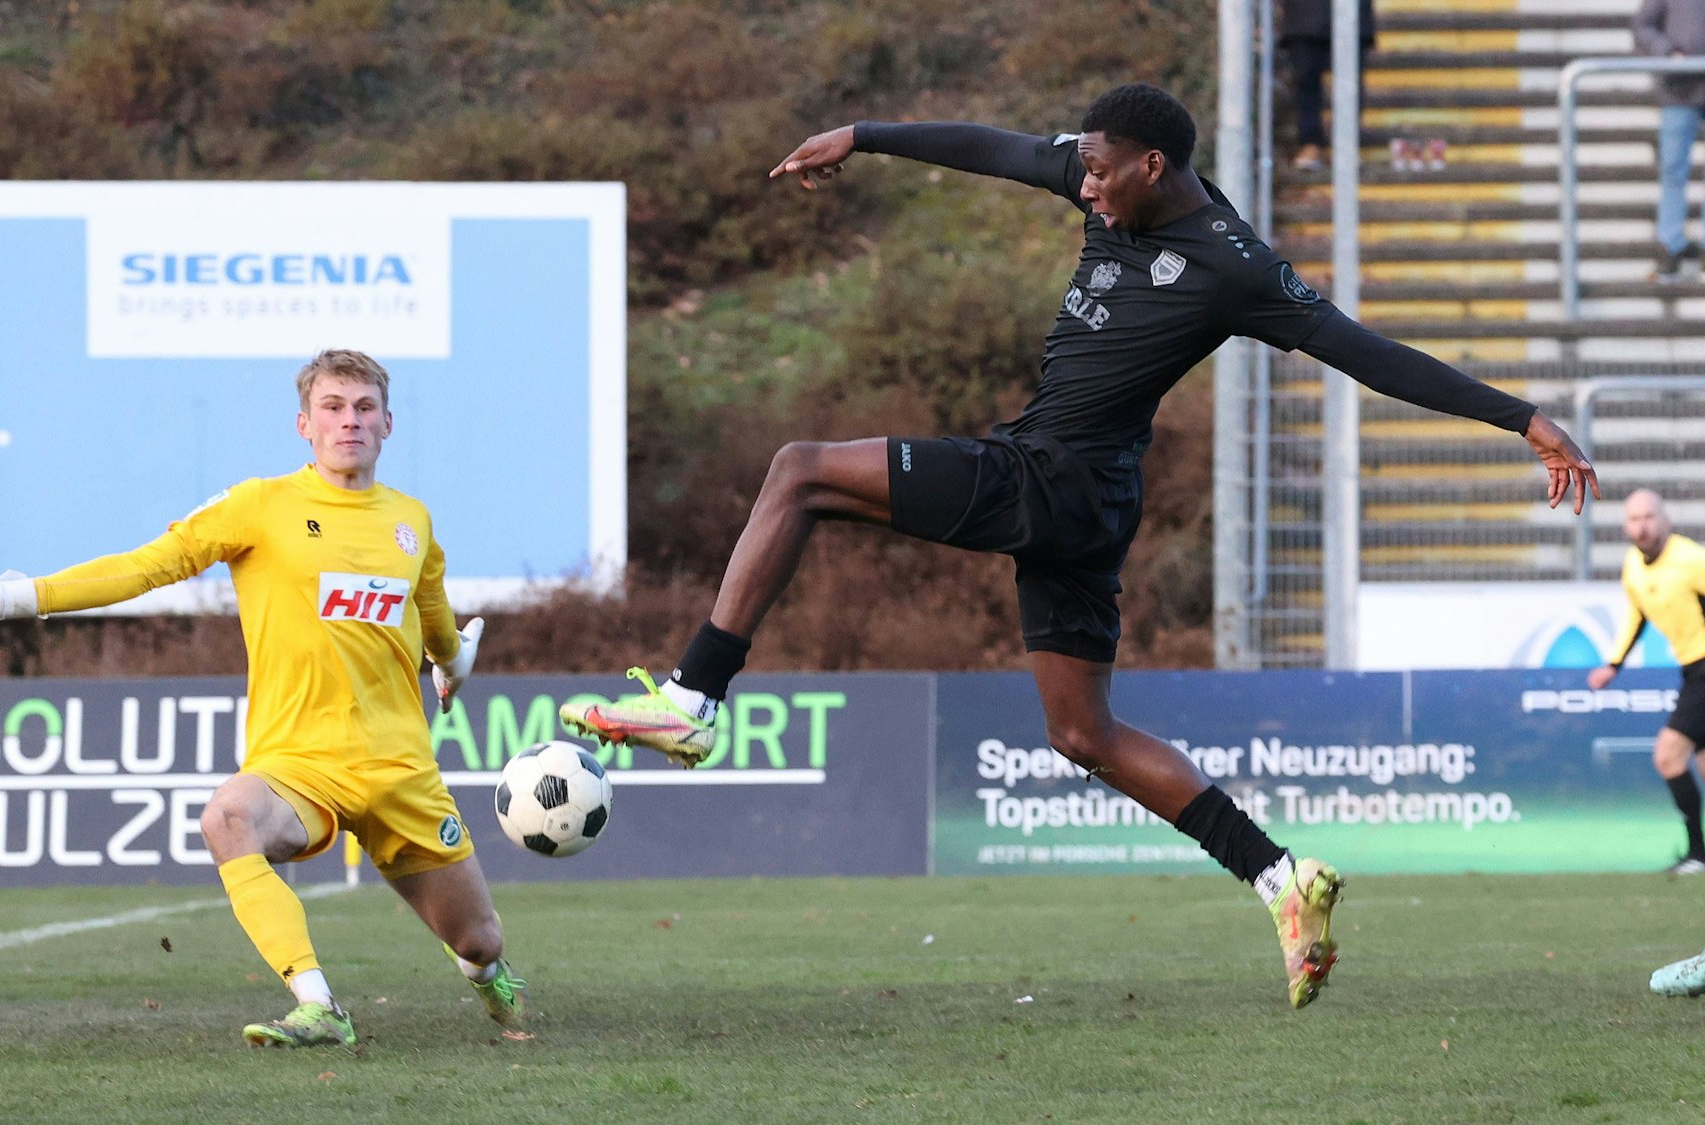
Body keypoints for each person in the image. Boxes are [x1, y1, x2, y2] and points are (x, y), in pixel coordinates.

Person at [561, 83, 1601, 1010]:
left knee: (797, 470)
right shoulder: (1105, 174)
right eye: (1085, 171)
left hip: (1045, 481)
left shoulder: (1235, 270)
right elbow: (998, 149)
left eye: (1100, 175)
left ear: (1153, 167)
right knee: (1080, 733)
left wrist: (1521, 419)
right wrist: (863, 135)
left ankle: (694, 701)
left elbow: (1368, 355)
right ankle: (1280, 878)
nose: (1085, 189)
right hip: (1091, 500)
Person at [0, 349, 525, 1047]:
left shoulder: (412, 522)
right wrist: (12, 596)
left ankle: (483, 970)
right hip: (298, 763)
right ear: (304, 425)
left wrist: (453, 659)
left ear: (388, 422)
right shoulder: (259, 505)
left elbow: (432, 612)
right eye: (333, 407)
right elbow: (144, 567)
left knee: (478, 939)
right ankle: (318, 1005)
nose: (350, 420)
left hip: (400, 768)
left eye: (364, 407)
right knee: (227, 816)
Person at [1586, 488, 1705, 875]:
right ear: (1625, 527)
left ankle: (1697, 854)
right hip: (1691, 668)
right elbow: (1637, 615)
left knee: (1668, 756)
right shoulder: (1633, 567)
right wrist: (1613, 664)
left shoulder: (1690, 560)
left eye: (1649, 517)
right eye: (1634, 519)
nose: (1642, 526)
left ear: (1665, 520)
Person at [1634, 0, 1705, 282]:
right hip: (1679, 90)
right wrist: (1667, 52)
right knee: (1673, 169)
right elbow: (1643, 25)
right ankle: (1671, 247)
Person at [1279, 0, 1376, 172]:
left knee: (1349, 83)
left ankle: (1345, 144)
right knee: (1305, 78)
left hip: (1350, 15)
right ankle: (1311, 143)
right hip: (1303, 16)